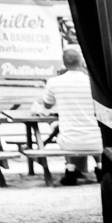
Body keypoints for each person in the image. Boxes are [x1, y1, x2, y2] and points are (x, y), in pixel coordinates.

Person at [37, 45, 102, 185]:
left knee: (61, 127)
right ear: (81, 62)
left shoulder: (54, 82)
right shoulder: (93, 82)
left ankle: (70, 171)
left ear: (64, 64)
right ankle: (100, 168)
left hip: (69, 141)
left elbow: (47, 105)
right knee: (92, 129)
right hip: (98, 141)